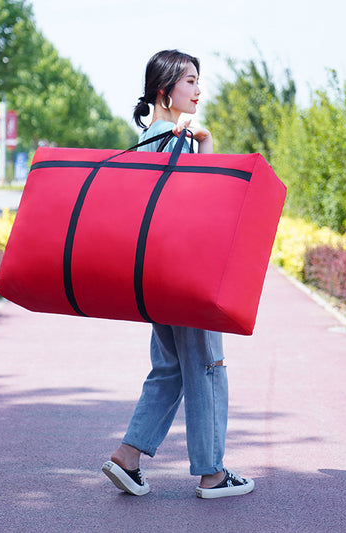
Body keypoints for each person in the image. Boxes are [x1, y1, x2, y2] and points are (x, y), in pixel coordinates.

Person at [102, 50, 254, 499]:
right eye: (189, 81)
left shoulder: (148, 138)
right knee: (206, 367)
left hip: (153, 273)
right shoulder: (176, 141)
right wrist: (198, 147)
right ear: (164, 91)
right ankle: (212, 473)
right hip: (186, 273)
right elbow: (201, 207)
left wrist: (204, 146)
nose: (198, 90)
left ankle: (127, 458)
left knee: (169, 369)